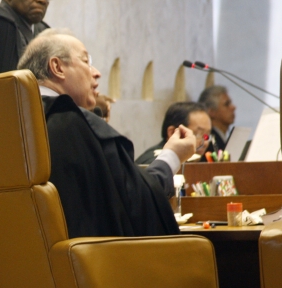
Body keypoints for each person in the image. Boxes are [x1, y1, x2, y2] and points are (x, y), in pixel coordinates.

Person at [17, 29, 196, 239]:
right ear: (57, 67)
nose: (97, 72)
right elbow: (137, 201)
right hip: (88, 264)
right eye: (86, 60)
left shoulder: (8, 122)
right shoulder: (73, 124)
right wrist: (172, 156)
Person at [135, 101, 212, 164]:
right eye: (197, 134)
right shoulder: (154, 163)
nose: (205, 143)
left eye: (207, 135)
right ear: (172, 133)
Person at [198, 85, 236, 151]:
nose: (233, 107)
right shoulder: (208, 143)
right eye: (226, 104)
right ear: (212, 111)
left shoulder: (220, 139)